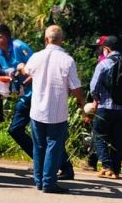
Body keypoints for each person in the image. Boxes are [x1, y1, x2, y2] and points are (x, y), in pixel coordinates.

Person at [0, 23, 76, 180]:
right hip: (24, 96)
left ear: (2, 37)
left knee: (49, 135)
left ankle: (64, 167)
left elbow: (37, 69)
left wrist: (23, 81)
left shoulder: (19, 47)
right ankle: (43, 163)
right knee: (15, 130)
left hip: (36, 94)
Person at [21, 25, 85, 193]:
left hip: (37, 110)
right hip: (57, 112)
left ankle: (39, 181)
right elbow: (76, 88)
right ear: (61, 40)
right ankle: (49, 183)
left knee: (39, 146)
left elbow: (26, 71)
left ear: (46, 39)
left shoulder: (36, 56)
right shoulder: (67, 60)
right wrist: (82, 102)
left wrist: (21, 67)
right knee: (53, 146)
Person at [89, 35, 122, 179]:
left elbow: (93, 87)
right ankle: (116, 170)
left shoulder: (104, 64)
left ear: (107, 49)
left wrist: (97, 99)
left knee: (99, 135)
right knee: (118, 140)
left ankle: (107, 166)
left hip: (105, 107)